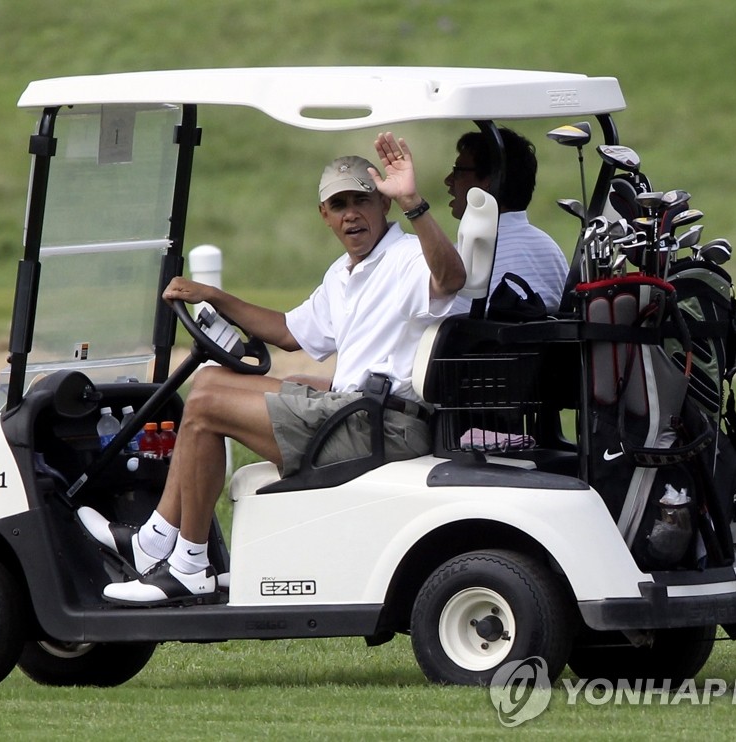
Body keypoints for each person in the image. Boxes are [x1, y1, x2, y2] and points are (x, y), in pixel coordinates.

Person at [77, 132, 466, 606]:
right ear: (324, 215)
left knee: (206, 406)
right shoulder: (345, 273)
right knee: (210, 381)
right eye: (338, 204)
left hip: (382, 428)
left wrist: (414, 203)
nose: (350, 214)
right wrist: (214, 296)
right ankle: (155, 541)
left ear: (383, 204)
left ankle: (188, 565)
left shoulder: (407, 259)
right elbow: (288, 332)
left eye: (361, 200)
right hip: (356, 414)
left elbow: (451, 279)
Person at [446, 128, 568, 314]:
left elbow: (441, 324)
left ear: (490, 182)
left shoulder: (465, 256)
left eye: (458, 171)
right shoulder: (550, 249)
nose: (448, 180)